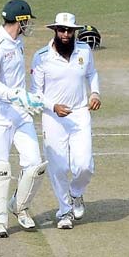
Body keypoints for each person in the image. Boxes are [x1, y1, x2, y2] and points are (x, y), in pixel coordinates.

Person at [0, 0, 48, 238]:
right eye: (27, 20)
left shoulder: (18, 43)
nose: (28, 25)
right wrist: (14, 95)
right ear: (19, 21)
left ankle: (19, 207)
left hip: (20, 112)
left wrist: (27, 98)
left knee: (35, 164)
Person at [31, 13, 101, 230]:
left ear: (74, 32)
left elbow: (92, 73)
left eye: (69, 30)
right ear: (55, 30)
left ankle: (76, 193)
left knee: (84, 166)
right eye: (61, 30)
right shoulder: (41, 56)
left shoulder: (84, 50)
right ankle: (65, 212)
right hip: (53, 118)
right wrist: (53, 107)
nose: (65, 34)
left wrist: (95, 93)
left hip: (80, 113)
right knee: (59, 168)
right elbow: (35, 93)